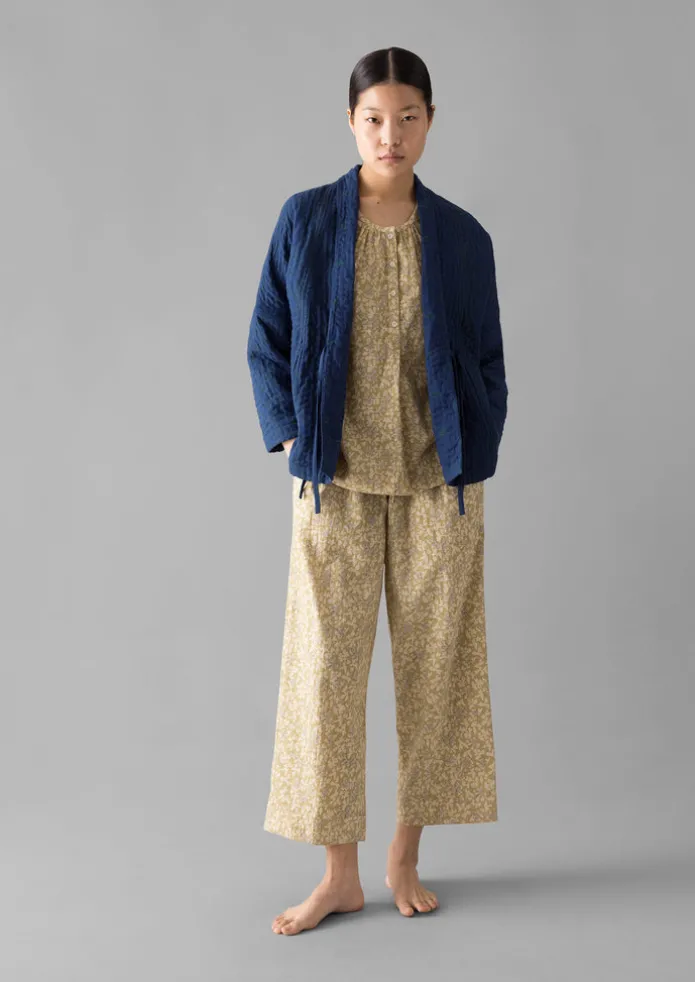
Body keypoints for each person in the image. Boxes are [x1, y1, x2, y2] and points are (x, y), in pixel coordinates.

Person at [247, 46, 509, 936]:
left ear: (429, 121)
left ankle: (404, 856)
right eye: (372, 119)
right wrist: (291, 432)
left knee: (437, 669)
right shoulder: (306, 220)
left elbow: (487, 356)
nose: (389, 135)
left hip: (440, 482)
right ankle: (338, 876)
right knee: (324, 675)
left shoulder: (463, 237)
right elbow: (266, 333)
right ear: (349, 123)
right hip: (335, 481)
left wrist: (478, 443)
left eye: (406, 118)